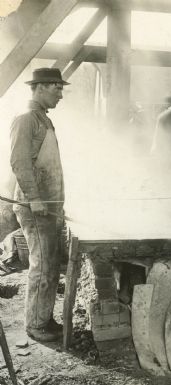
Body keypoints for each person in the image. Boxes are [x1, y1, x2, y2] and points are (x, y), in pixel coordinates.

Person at [10, 68, 69, 342]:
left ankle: (43, 317)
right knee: (42, 266)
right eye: (57, 88)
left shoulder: (44, 120)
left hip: (49, 206)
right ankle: (35, 325)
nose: (60, 94)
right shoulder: (26, 119)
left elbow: (48, 168)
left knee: (51, 266)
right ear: (42, 87)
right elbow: (20, 163)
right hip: (35, 208)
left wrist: (58, 204)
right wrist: (34, 199)